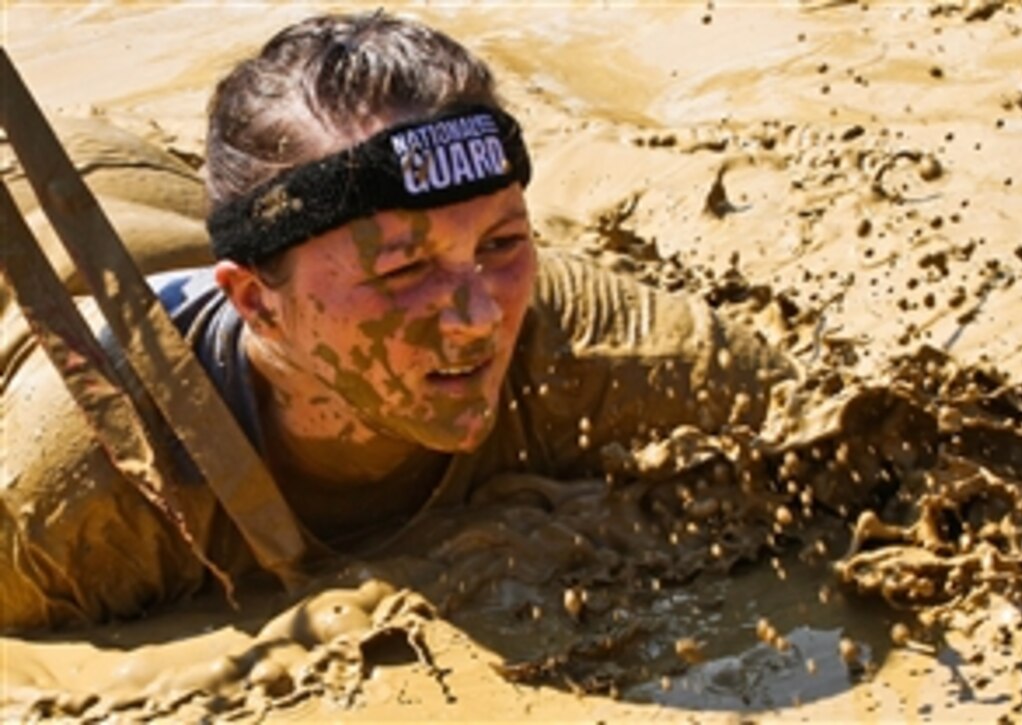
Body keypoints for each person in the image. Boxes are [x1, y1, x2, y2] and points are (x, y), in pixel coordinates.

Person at [0, 11, 796, 633]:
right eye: (407, 269)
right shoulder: (86, 497)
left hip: (153, 199)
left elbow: (833, 434)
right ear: (254, 302)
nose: (481, 316)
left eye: (502, 241)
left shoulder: (585, 343)